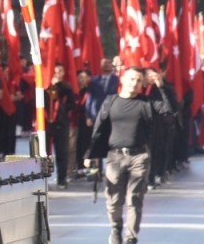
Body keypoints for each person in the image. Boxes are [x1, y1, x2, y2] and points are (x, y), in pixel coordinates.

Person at [85, 66, 174, 244]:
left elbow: (168, 115)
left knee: (134, 198)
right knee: (113, 200)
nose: (134, 83)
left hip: (139, 157)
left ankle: (130, 237)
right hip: (115, 157)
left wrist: (160, 86)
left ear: (142, 84)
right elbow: (98, 129)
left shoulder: (146, 103)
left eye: (139, 81)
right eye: (131, 79)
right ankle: (116, 228)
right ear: (123, 79)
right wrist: (90, 154)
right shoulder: (111, 101)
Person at [46, 64, 75, 188]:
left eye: (60, 71)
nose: (57, 73)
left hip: (61, 123)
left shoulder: (66, 87)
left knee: (62, 151)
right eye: (55, 71)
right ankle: (44, 178)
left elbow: (72, 104)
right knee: (45, 152)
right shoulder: (45, 86)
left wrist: (62, 109)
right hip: (47, 123)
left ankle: (62, 178)